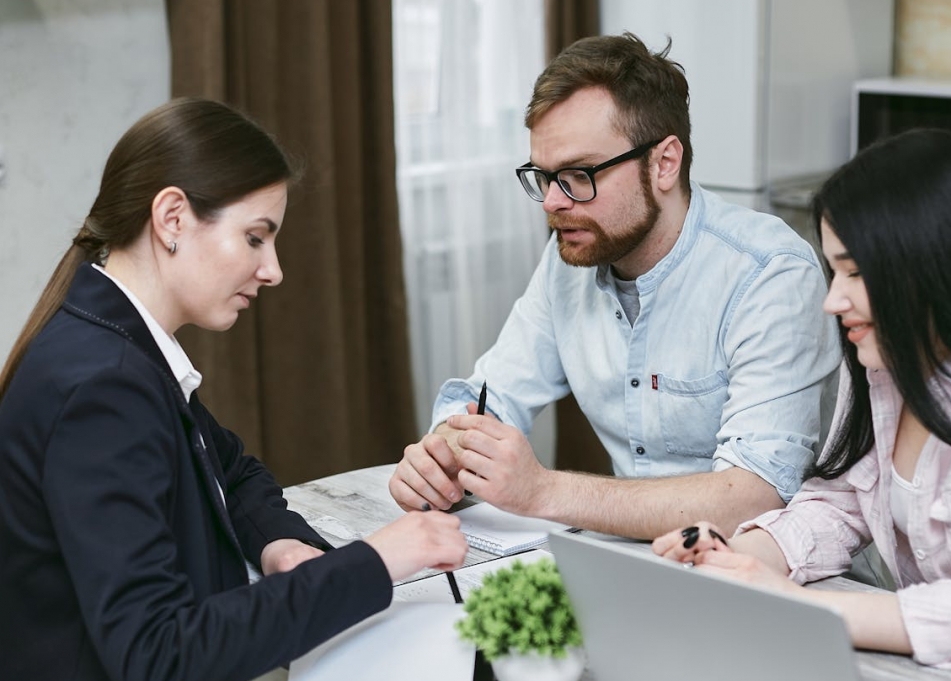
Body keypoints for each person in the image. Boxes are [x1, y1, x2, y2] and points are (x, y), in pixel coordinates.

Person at [0, 98, 468, 681]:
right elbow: (159, 655)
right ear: (172, 219)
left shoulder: (117, 343)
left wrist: (281, 544)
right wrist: (375, 562)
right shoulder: (106, 386)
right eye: (255, 238)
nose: (273, 270)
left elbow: (231, 470)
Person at [388, 32, 839, 539]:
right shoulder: (571, 259)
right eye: (543, 176)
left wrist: (543, 491)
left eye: (579, 174)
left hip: (777, 576)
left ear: (664, 163)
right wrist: (446, 449)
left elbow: (756, 494)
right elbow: (492, 396)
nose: (552, 203)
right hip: (638, 566)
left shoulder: (769, 274)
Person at [653, 128, 951, 669]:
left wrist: (802, 605)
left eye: (856, 274)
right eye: (834, 271)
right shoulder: (880, 370)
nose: (833, 301)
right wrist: (739, 558)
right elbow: (837, 504)